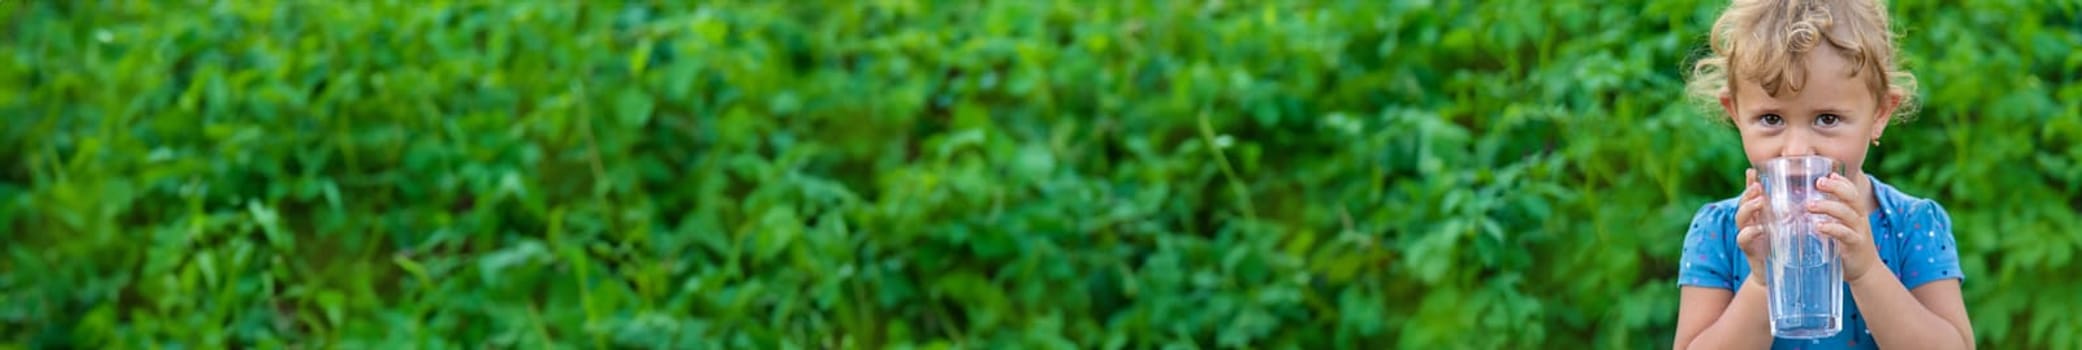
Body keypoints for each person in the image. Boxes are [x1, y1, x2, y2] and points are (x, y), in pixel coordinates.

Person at [1672, 0, 1975, 349]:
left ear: (1879, 114)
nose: (1798, 150)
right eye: (1771, 119)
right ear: (1736, 114)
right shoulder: (1720, 232)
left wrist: (1867, 270)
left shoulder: (1911, 224)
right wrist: (1762, 280)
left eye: (1827, 119)